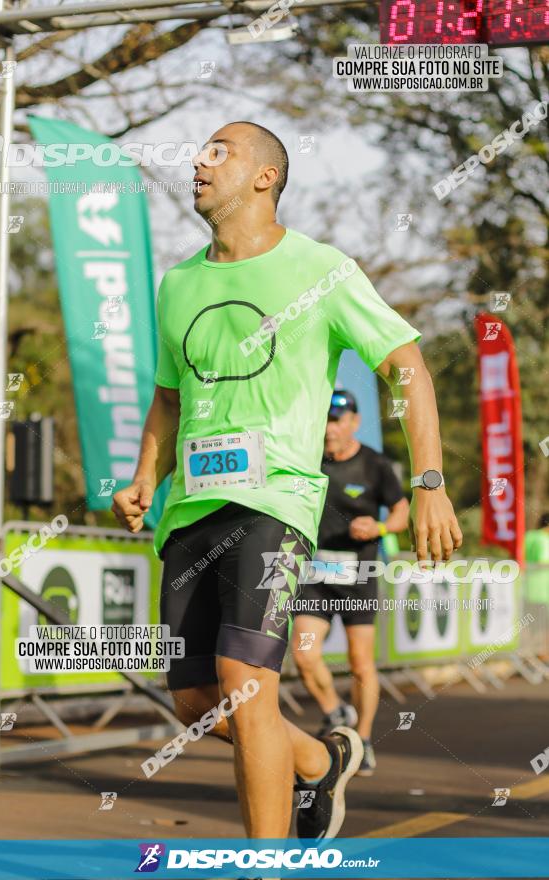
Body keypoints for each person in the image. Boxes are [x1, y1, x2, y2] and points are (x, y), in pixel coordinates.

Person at [111, 121, 462, 842]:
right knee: (196, 702)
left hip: (276, 501)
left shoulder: (321, 269)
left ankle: (264, 861)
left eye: (220, 152)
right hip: (188, 512)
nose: (198, 163)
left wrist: (427, 481)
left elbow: (406, 366)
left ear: (265, 178)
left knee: (245, 686)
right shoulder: (178, 282)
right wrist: (147, 472)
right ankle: (320, 760)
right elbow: (169, 396)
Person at [291, 389, 409, 776]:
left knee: (360, 663)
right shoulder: (308, 460)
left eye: (338, 420)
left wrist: (377, 526)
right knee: (305, 654)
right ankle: (333, 711)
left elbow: (401, 513)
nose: (330, 428)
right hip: (315, 577)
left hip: (358, 576)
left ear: (354, 423)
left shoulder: (374, 465)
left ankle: (364, 737)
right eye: (325, 419)